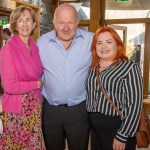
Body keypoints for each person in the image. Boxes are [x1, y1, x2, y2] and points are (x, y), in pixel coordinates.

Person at [37, 3, 93, 150]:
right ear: (54, 22)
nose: (66, 28)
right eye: (61, 22)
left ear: (78, 22)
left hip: (79, 110)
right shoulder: (42, 43)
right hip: (51, 110)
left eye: (70, 22)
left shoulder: (91, 40)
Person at [86, 27, 143, 150]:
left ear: (117, 45)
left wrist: (123, 135)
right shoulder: (92, 68)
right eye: (99, 43)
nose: (103, 46)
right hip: (95, 129)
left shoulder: (129, 68)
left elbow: (134, 105)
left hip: (118, 128)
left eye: (109, 42)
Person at [0, 5, 45, 149]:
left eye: (28, 20)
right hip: (17, 110)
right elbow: (10, 86)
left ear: (33, 24)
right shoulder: (8, 49)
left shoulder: (35, 47)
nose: (25, 24)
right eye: (20, 20)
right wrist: (36, 84)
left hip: (35, 106)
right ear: (14, 24)